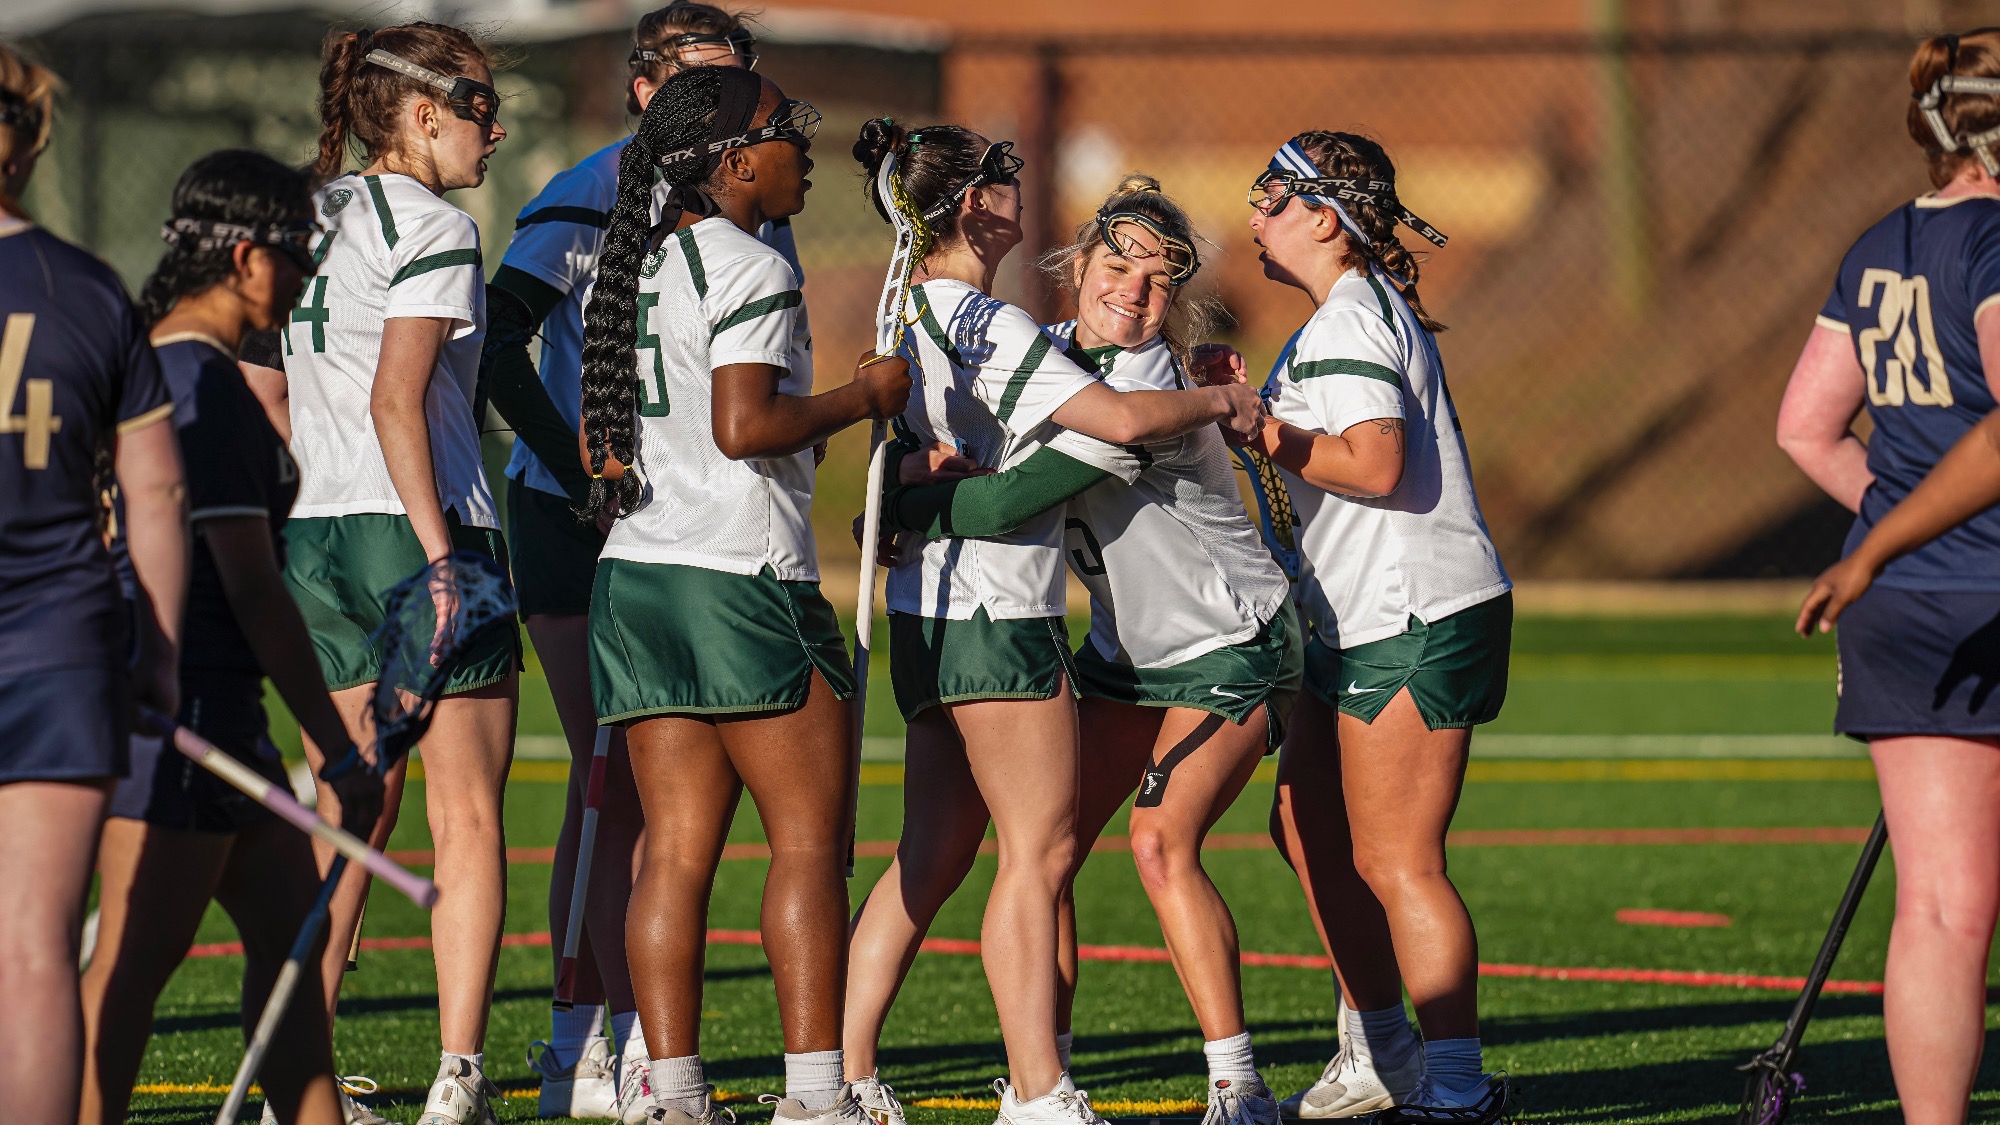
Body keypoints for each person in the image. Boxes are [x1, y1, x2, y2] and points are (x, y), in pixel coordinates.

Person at [840, 175, 1298, 1125]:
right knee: (1044, 856)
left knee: (1158, 843)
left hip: (1230, 640)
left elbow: (1010, 502)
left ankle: (1238, 1084)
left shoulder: (1150, 384)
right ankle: (1042, 1072)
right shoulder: (1049, 357)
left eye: (1160, 280)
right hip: (1123, 653)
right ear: (1079, 264)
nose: (1133, 290)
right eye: (1118, 264)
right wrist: (907, 473)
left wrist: (895, 508)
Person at [574, 64, 906, 1125]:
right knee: (808, 847)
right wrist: (865, 396)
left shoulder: (631, 267)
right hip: (738, 579)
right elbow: (743, 427)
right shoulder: (750, 264)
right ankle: (815, 1095)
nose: (802, 149)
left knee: (671, 853)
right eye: (782, 132)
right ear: (729, 161)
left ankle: (669, 1093)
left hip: (637, 576)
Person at [479, 5, 767, 1115]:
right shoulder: (588, 193)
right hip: (578, 517)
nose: (734, 103)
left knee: (671, 789)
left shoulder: (747, 197)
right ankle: (587, 1041)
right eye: (705, 82)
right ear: (646, 90)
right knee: (618, 784)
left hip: (693, 524)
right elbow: (500, 347)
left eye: (741, 80)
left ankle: (631, 1038)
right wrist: (584, 466)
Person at [76, 148, 387, 1125]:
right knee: (123, 988)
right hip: (184, 726)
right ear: (246, 257)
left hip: (225, 723)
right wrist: (339, 748)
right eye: (299, 250)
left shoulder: (167, 368)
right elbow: (255, 592)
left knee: (290, 963)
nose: (307, 273)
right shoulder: (198, 390)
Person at [1241, 132, 1513, 1122]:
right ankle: (1379, 1048)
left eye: (1271, 196)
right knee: (1303, 826)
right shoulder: (1338, 318)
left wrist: (1259, 427)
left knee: (1397, 860)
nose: (1254, 213)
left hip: (1411, 612)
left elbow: (1374, 462)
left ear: (1324, 217)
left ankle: (1452, 1087)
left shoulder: (1350, 316)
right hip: (1358, 616)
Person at [286, 22, 519, 1125]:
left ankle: (304, 1080)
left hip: (311, 533)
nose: (495, 125)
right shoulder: (435, 224)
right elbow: (397, 399)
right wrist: (440, 559)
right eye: (478, 103)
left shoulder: (306, 214)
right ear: (421, 113)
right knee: (465, 815)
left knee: (345, 816)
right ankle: (455, 1079)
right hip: (417, 527)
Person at [1776, 30, 2000, 1125]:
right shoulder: (1997, 243)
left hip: (1906, 608)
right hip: (1978, 596)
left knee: (1940, 912)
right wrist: (1882, 541)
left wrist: (1891, 531)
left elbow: (1804, 429)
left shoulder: (1878, 245)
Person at [0, 42, 190, 1125]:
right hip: (57, 644)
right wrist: (155, 652)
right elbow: (153, 498)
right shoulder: (82, 287)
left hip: (53, 643)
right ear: (30, 141)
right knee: (32, 949)